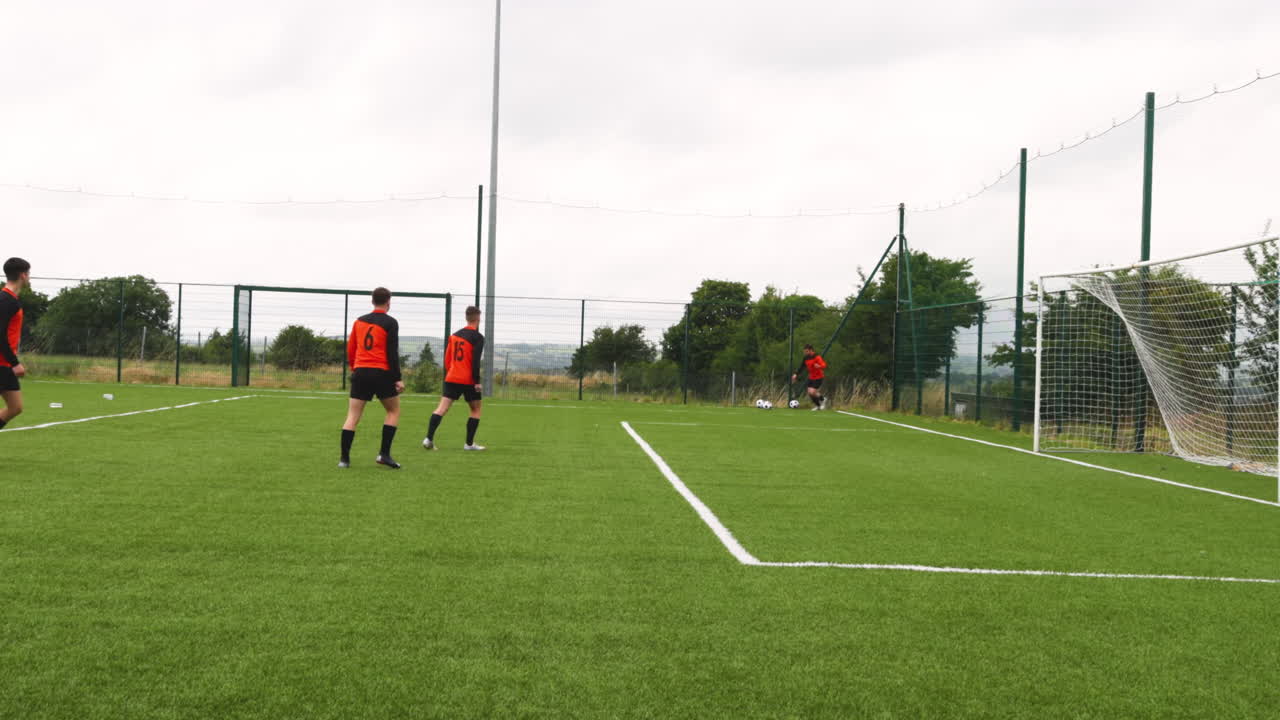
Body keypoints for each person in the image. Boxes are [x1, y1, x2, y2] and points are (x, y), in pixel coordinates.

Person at [339, 287, 404, 469]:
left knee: (352, 416)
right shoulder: (391, 322)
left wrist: (355, 368)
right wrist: (397, 378)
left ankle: (344, 459)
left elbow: (351, 349)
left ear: (372, 301)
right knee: (393, 411)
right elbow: (392, 353)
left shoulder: (359, 321)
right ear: (388, 302)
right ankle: (384, 454)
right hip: (382, 373)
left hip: (361, 372)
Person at [423, 306, 486, 451]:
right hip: (468, 379)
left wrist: (451, 372)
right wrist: (477, 382)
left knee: (441, 409)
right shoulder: (478, 337)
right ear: (478, 318)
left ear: (466, 318)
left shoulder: (454, 336)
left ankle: (428, 439)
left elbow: (447, 360)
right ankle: (469, 444)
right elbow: (475, 361)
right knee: (476, 409)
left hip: (452, 377)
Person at [0, 258, 30, 430]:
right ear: (23, 275)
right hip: (2, 363)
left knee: (15, 407)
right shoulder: (6, 300)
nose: (29, 277)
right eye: (28, 273)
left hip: (6, 364)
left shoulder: (11, 299)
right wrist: (15, 363)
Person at [791, 344, 828, 411]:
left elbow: (824, 365)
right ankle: (818, 405)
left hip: (819, 377)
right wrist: (796, 374)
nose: (805, 353)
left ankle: (822, 400)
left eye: (807, 351)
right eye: (804, 351)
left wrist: (819, 366)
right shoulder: (806, 358)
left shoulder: (817, 357)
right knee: (810, 393)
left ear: (811, 350)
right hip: (811, 377)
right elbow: (802, 367)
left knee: (812, 392)